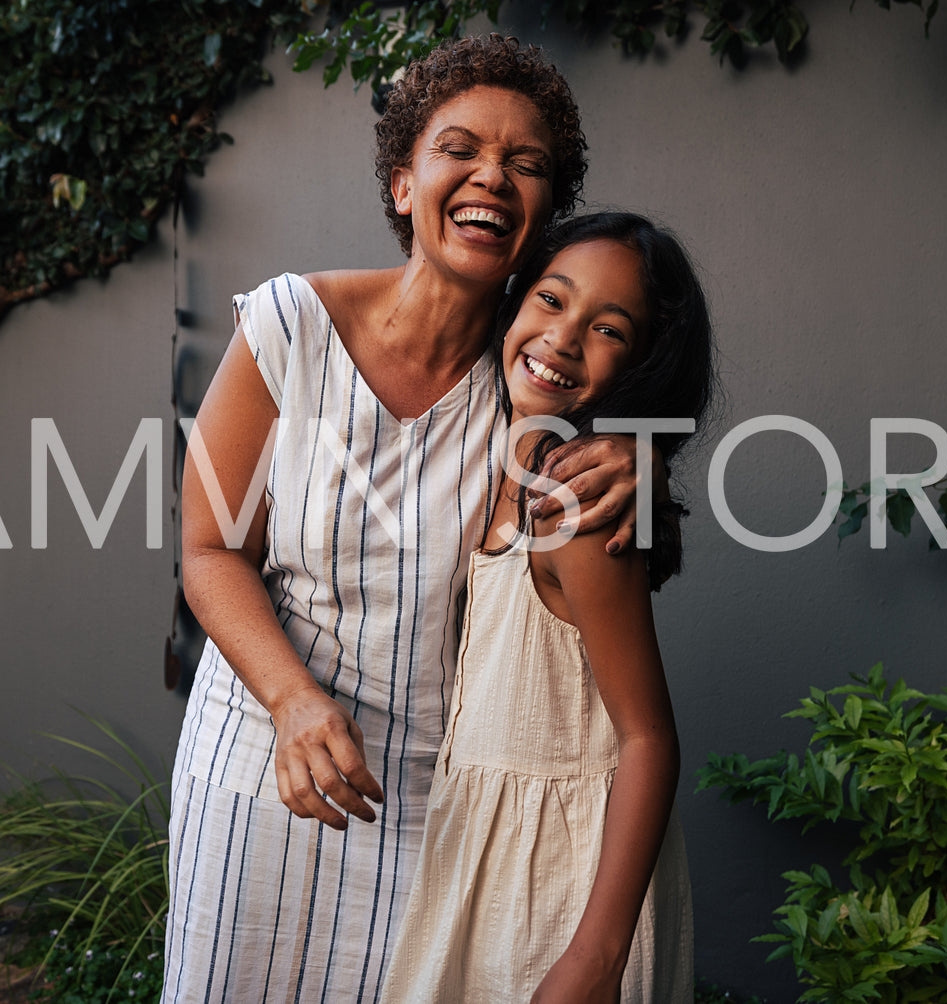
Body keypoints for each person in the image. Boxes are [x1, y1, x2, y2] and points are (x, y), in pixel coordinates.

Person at [164, 37, 655, 1002]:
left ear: (547, 212)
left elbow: (612, 409)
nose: (491, 178)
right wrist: (294, 704)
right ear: (403, 184)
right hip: (260, 772)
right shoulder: (288, 325)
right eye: (460, 150)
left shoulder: (535, 381)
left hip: (436, 803)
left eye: (527, 164)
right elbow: (211, 549)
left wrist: (635, 445)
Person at [382, 212, 714, 1003]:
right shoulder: (503, 446)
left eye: (607, 328)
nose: (563, 338)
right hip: (484, 848)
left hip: (565, 876)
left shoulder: (573, 500)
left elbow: (649, 738)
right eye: (551, 299)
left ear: (642, 364)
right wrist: (649, 452)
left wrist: (593, 960)